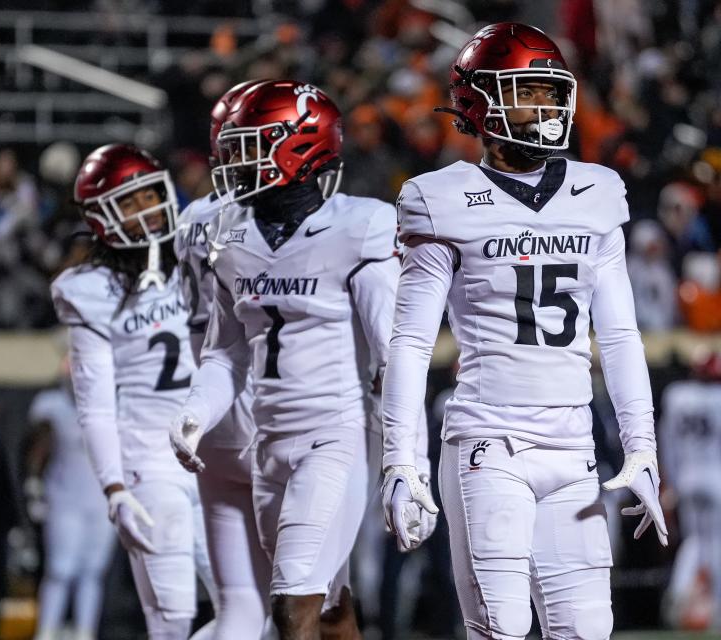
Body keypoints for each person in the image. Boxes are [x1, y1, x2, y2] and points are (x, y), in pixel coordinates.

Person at [380, 23, 668, 640]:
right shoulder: (440, 197)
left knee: (587, 631)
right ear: (479, 102)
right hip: (489, 441)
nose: (545, 107)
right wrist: (400, 458)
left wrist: (641, 444)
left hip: (574, 447)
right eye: (526, 91)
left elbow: (619, 336)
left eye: (549, 91)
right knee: (500, 629)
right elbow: (409, 343)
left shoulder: (598, 192)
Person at [169, 80, 431, 639]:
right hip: (266, 447)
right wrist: (194, 414)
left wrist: (410, 464)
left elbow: (397, 355)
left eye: (248, 145)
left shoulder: (360, 226)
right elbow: (227, 351)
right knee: (331, 608)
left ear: (298, 146)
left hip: (332, 438)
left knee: (291, 609)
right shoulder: (231, 238)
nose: (231, 161)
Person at [50, 143, 214, 639]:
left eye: (148, 195)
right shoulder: (90, 289)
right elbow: (95, 407)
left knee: (254, 608)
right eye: (129, 203)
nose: (145, 210)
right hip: (152, 460)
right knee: (173, 619)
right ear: (102, 216)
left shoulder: (198, 255)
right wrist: (115, 488)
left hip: (218, 458)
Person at [174, 79, 273, 639]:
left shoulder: (192, 219)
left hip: (213, 410)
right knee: (301, 603)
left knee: (242, 608)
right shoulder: (260, 219)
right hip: (268, 405)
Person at [29, 373, 116, 640]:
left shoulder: (114, 406)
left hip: (101, 499)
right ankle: (46, 631)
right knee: (60, 570)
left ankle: (84, 631)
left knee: (92, 572)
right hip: (64, 498)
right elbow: (38, 447)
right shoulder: (53, 405)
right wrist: (34, 484)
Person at [660, 349, 721, 631]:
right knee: (715, 543)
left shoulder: (676, 395)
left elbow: (666, 442)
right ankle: (714, 608)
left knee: (695, 542)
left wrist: (670, 482)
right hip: (716, 479)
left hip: (686, 479)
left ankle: (679, 597)